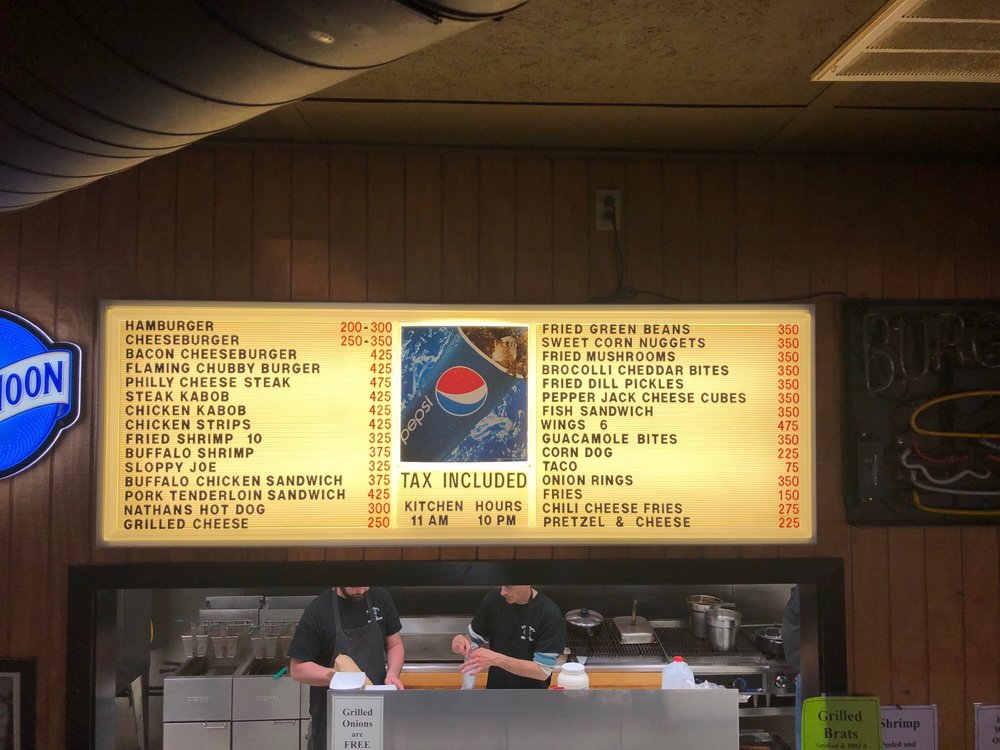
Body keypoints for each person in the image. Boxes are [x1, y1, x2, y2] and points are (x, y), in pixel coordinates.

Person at [288, 586, 405, 750]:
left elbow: (395, 645)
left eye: (365, 584)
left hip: (374, 715)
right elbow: (297, 669)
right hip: (332, 721)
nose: (362, 590)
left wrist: (392, 673)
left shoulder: (381, 598)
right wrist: (338, 677)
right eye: (355, 586)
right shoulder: (318, 610)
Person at [451, 584, 565, 689]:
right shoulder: (493, 600)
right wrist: (461, 641)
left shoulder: (548, 613)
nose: (503, 592)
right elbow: (472, 638)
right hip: (495, 692)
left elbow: (542, 671)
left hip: (532, 695)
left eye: (509, 586)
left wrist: (498, 659)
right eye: (502, 585)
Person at [782, 584, 802, 750]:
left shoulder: (814, 583)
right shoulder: (804, 586)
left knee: (807, 735)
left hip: (815, 675)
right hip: (806, 671)